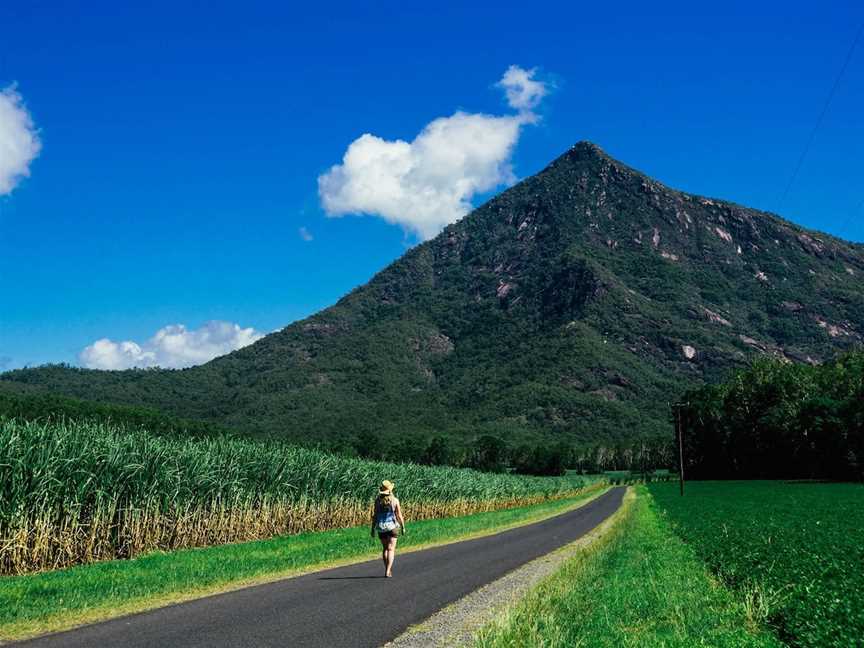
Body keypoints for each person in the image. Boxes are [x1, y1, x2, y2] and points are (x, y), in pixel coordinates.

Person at [370, 479, 406, 578]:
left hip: (381, 527)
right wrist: (403, 526)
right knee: (391, 549)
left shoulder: (377, 501)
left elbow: (375, 515)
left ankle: (387, 569)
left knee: (385, 548)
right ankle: (388, 570)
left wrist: (373, 529)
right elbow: (399, 515)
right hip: (392, 527)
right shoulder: (395, 500)